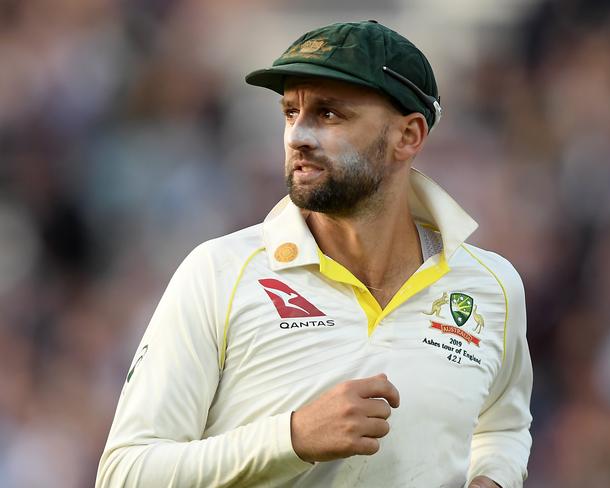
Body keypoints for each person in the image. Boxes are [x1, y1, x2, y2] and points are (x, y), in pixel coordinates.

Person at [96, 20, 532, 488]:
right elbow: (126, 472)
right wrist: (293, 437)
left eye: (328, 114)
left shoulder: (491, 286)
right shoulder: (218, 273)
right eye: (290, 112)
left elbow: (504, 426)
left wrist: (493, 478)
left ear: (408, 136)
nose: (297, 136)